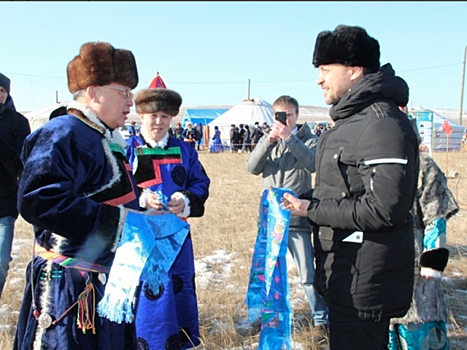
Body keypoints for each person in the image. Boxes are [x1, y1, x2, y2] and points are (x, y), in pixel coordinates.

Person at [283, 25, 420, 350]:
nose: (319, 79)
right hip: (344, 273)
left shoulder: (380, 124)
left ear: (355, 70)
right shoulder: (352, 121)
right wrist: (301, 201)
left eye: (326, 69)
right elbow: (344, 191)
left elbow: (384, 208)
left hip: (365, 280)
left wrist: (311, 209)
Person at [13, 41, 154, 350]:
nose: (131, 102)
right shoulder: (64, 132)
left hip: (102, 282)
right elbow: (39, 199)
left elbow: (107, 196)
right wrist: (118, 222)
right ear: (94, 92)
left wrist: (141, 213)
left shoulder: (100, 136)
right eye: (124, 92)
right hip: (69, 288)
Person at [126, 88, 211, 350]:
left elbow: (200, 182)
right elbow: (117, 188)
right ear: (141, 115)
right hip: (141, 239)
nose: (159, 121)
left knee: (178, 291)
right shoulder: (127, 149)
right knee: (144, 294)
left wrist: (186, 200)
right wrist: (140, 198)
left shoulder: (184, 150)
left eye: (165, 116)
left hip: (177, 239)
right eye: (153, 115)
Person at [246, 95, 327, 338]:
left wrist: (288, 139)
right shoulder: (267, 140)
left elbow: (313, 164)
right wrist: (269, 142)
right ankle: (264, 316)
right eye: (279, 115)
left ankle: (321, 320)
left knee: (307, 275)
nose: (284, 119)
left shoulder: (310, 141)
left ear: (297, 116)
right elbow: (252, 167)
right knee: (267, 272)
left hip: (297, 219)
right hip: (271, 221)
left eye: (288, 115)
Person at [389, 142, 459, 350]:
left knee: (418, 330)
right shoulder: (366, 163)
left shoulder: (422, 166)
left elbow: (435, 219)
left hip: (415, 273)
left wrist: (430, 268)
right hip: (379, 272)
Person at [0, 72, 31, 299]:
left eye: (2, 91)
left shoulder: (18, 123)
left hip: (5, 204)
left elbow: (22, 165)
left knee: (1, 262)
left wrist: (3, 148)